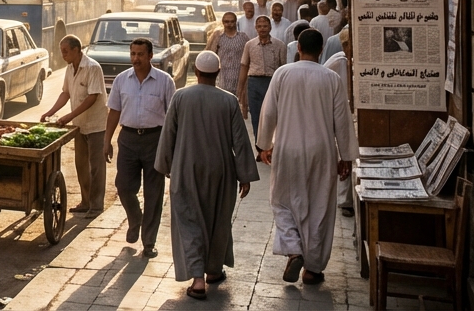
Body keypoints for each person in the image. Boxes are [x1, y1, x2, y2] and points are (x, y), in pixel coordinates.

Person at [155, 51, 259, 300]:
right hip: (221, 170)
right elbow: (240, 142)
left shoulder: (181, 97)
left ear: (197, 71)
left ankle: (198, 280)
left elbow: (168, 134)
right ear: (218, 73)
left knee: (189, 220)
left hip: (186, 168)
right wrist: (244, 175)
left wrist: (165, 165)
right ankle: (212, 271)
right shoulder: (229, 100)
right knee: (217, 220)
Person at [257, 28, 357, 285]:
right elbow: (342, 121)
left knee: (281, 201)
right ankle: (312, 269)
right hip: (321, 151)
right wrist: (346, 156)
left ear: (298, 47)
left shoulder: (282, 74)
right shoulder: (331, 78)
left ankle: (293, 248)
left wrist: (264, 145)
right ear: (322, 50)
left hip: (287, 148)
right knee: (319, 207)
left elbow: (268, 113)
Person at [104, 37, 176, 258]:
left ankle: (149, 242)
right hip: (128, 139)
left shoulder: (165, 81)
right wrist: (106, 141)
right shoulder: (121, 80)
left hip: (155, 140)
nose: (135, 59)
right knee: (124, 186)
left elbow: (173, 117)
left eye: (140, 54)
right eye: (133, 54)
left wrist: (172, 149)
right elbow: (114, 111)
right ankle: (135, 219)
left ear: (150, 56)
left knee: (154, 193)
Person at [40, 35, 108, 217]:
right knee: (81, 165)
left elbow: (92, 97)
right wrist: (49, 112)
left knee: (96, 168)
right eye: (62, 51)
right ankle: (85, 201)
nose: (63, 55)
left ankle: (96, 205)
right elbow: (66, 93)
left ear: (77, 50)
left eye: (66, 51)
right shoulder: (70, 68)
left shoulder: (92, 67)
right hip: (79, 125)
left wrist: (69, 116)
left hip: (96, 125)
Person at [323, 25, 355, 217]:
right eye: (346, 44)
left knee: (350, 153)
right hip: (339, 112)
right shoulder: (337, 62)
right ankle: (345, 201)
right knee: (344, 151)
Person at [237, 15, 287, 139]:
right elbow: (244, 67)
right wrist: (240, 89)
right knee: (256, 115)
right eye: (259, 26)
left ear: (270, 27)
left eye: (265, 26)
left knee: (272, 115)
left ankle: (271, 144)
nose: (262, 29)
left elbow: (283, 68)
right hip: (254, 82)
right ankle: (259, 146)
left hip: (272, 82)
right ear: (255, 28)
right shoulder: (250, 45)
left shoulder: (279, 45)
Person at [206, 11, 249, 93]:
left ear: (236, 22)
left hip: (238, 76)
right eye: (227, 22)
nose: (229, 24)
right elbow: (210, 54)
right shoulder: (217, 36)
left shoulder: (243, 37)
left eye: (232, 21)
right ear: (223, 22)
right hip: (221, 76)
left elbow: (249, 56)